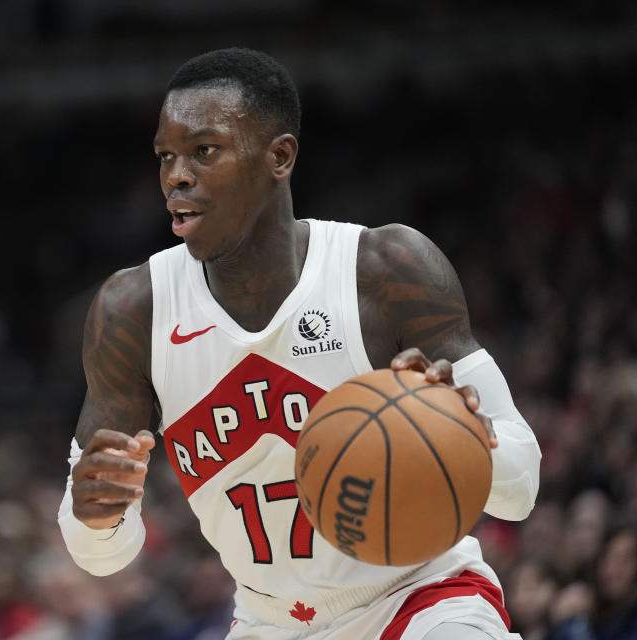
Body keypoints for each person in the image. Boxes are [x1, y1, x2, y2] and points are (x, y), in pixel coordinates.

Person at [57, 47, 541, 640]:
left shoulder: (387, 270)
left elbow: (520, 490)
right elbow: (101, 555)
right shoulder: (134, 309)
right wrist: (94, 513)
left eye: (203, 151)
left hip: (420, 599)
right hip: (269, 623)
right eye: (165, 156)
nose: (175, 176)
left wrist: (467, 433)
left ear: (279, 156)